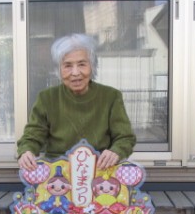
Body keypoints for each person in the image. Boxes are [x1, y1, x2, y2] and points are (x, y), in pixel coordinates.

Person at [17, 33, 136, 171]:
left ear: (92, 66)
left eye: (82, 64)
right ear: (58, 69)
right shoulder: (46, 98)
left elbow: (125, 137)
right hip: (58, 173)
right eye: (67, 65)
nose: (75, 72)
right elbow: (32, 136)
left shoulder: (111, 96)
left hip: (100, 171)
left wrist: (116, 151)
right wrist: (27, 151)